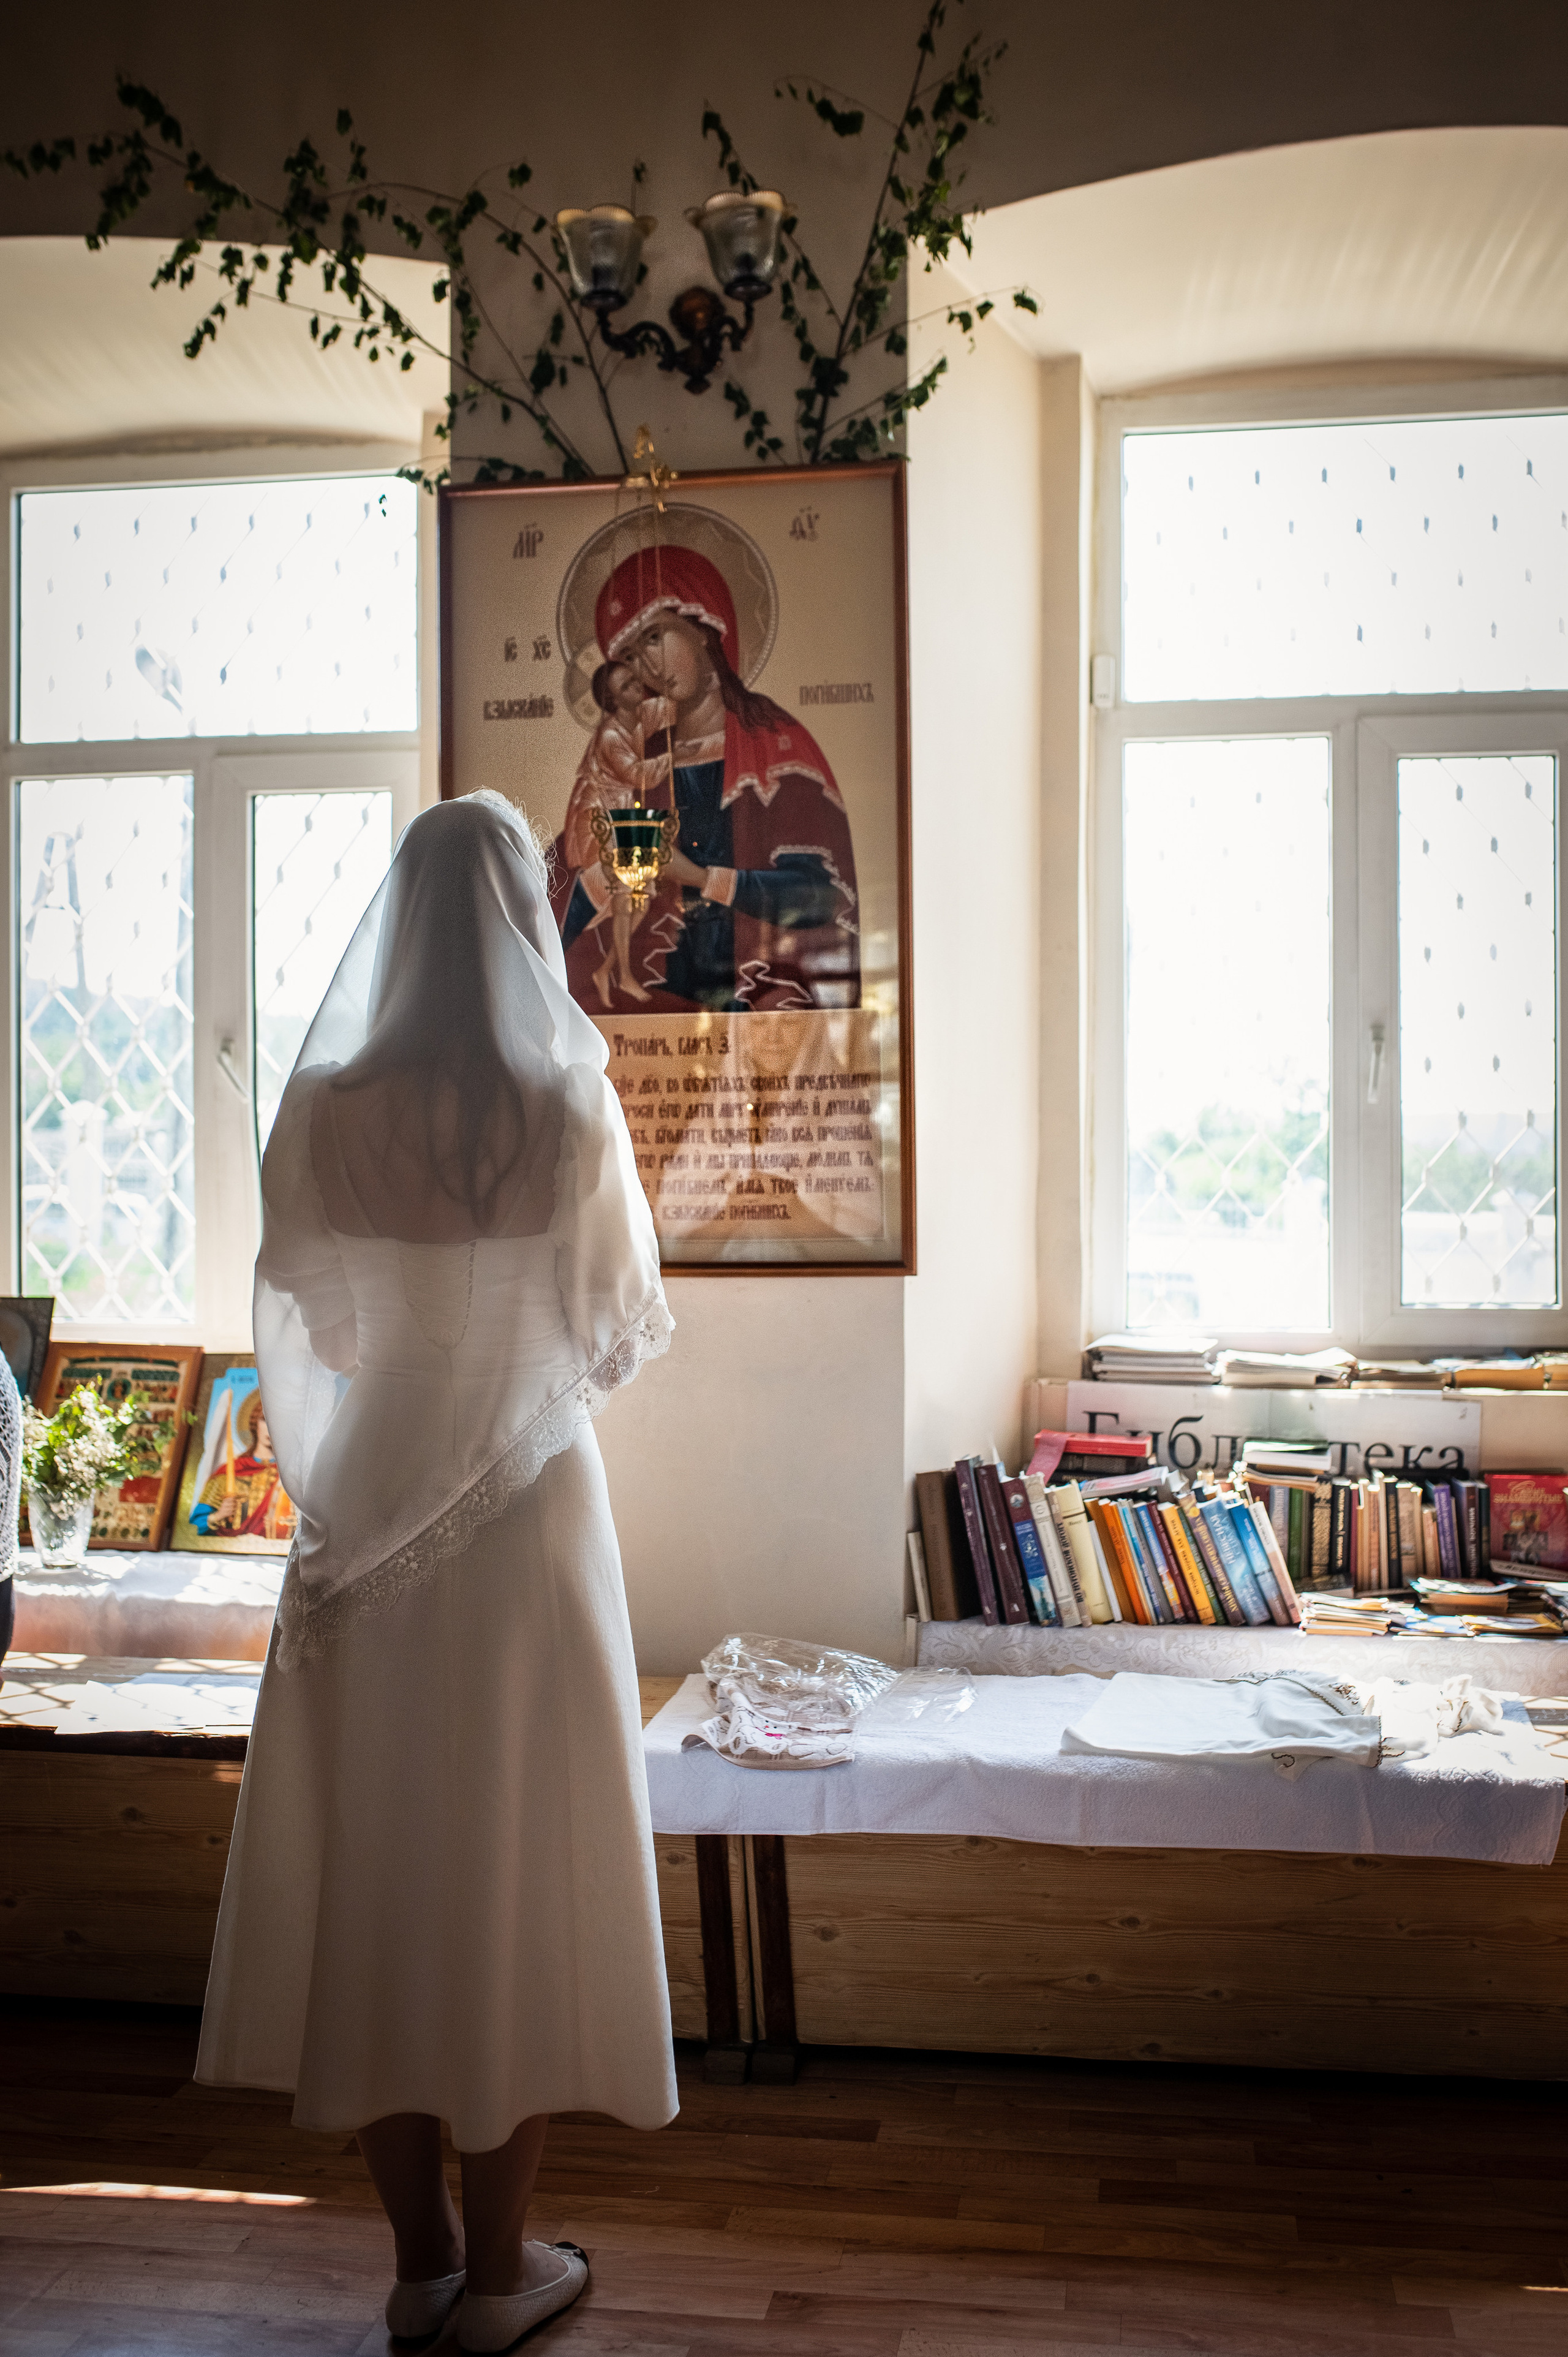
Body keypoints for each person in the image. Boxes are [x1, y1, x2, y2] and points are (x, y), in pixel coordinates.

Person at [195, 791, 677, 2353]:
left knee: (386, 1881)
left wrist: (414, 1350)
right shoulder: (567, 1100)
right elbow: (613, 1330)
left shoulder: (328, 1103)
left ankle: (420, 2267)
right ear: (523, 914)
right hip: (531, 1517)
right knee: (515, 1877)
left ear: (397, 919)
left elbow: (317, 1321)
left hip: (369, 1506)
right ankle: (505, 2268)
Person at [552, 542, 860, 1013]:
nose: (647, 667)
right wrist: (602, 875)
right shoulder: (640, 756)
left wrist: (699, 877)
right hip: (665, 997)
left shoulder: (774, 745)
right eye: (630, 657)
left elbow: (820, 897)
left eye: (655, 637)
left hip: (763, 994)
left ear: (702, 624)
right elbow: (567, 885)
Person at [560, 660, 675, 1008]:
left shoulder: (640, 713)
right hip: (597, 817)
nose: (637, 687)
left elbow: (671, 708)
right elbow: (639, 775)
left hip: (622, 815)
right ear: (613, 701)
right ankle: (624, 977)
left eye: (635, 680)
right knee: (625, 894)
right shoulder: (610, 736)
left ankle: (606, 970)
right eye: (627, 686)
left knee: (643, 897)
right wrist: (674, 757)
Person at [190, 1388, 294, 1542]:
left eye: (278, 1422)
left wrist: (285, 1523)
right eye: (265, 1420)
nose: (271, 1428)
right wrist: (218, 1515)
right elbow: (194, 1526)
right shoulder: (229, 1473)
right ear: (254, 1423)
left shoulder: (291, 1476)